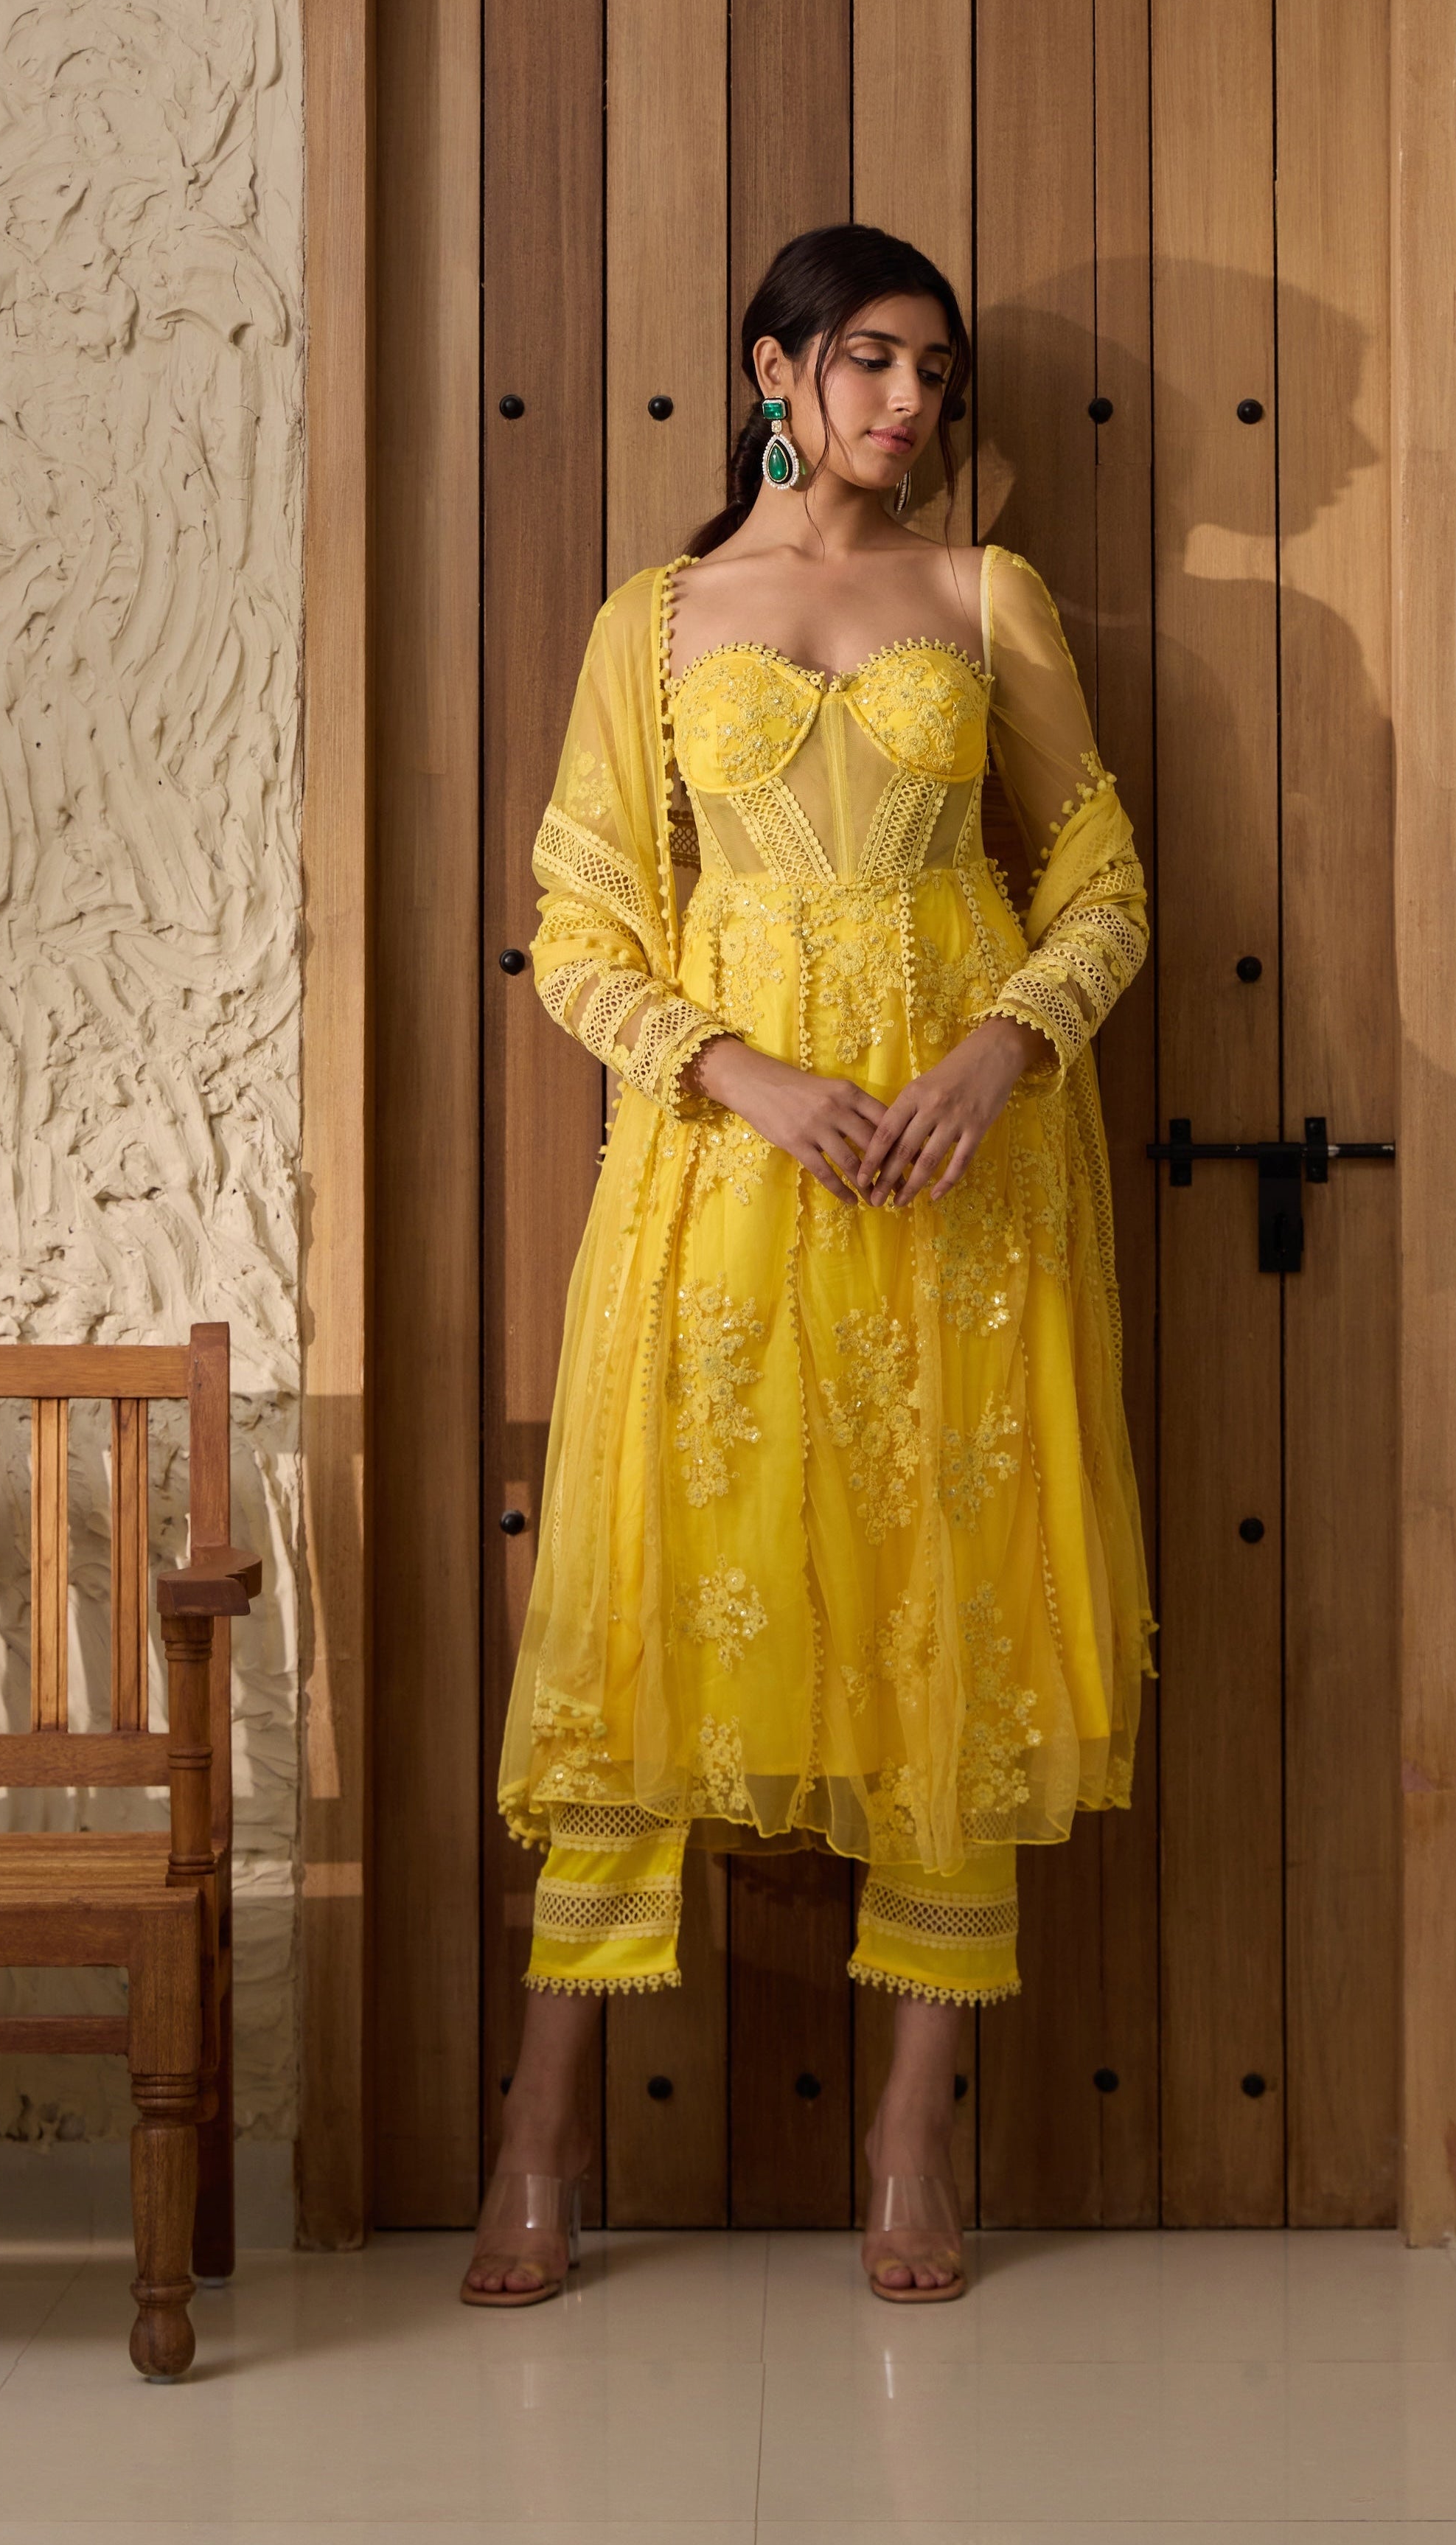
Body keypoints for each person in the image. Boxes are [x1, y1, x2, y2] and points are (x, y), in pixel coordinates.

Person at [463, 222, 1152, 2308]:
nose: (912, 404)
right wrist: (735, 1069)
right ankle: (541, 2124)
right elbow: (575, 929)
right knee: (656, 1601)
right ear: (773, 366)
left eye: (937, 372)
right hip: (729, 1189)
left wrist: (1003, 1045)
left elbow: (1106, 876)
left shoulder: (986, 599)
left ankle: (911, 2129)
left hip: (963, 1190)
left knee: (952, 1609)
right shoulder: (654, 624)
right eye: (870, 361)